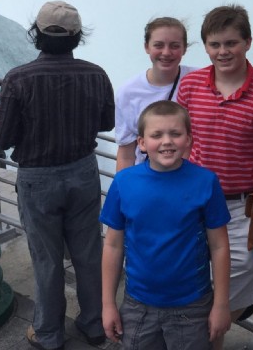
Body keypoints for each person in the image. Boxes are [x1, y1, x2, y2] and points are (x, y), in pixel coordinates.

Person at [0, 1, 114, 350]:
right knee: (88, 254)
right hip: (84, 172)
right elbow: (107, 123)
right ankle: (94, 326)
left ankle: (48, 334)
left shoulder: (17, 78)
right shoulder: (96, 74)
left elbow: (2, 138)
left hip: (37, 179)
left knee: (47, 258)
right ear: (77, 37)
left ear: (37, 33)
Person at [176, 4, 253, 349]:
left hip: (241, 211)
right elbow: (181, 139)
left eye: (231, 43)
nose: (223, 52)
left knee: (230, 295)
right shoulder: (190, 85)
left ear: (248, 42)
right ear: (205, 46)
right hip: (193, 203)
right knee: (191, 284)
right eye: (215, 44)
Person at [101, 101, 231, 349]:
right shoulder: (123, 183)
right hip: (138, 304)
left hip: (192, 305)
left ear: (189, 139)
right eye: (156, 135)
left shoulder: (206, 182)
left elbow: (219, 246)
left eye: (175, 133)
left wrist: (221, 304)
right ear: (141, 143)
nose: (167, 141)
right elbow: (113, 246)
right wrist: (108, 304)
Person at [114, 17, 195, 172]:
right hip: (148, 178)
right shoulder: (128, 92)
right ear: (147, 47)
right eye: (158, 45)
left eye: (174, 46)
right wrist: (123, 189)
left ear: (184, 48)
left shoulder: (199, 80)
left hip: (189, 179)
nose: (166, 52)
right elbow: (126, 153)